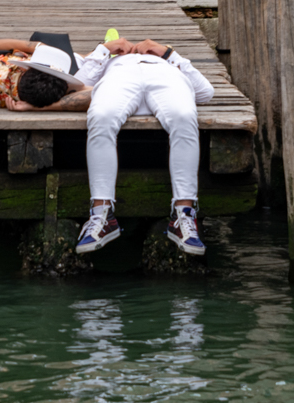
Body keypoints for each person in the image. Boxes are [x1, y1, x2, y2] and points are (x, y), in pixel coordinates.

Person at [74, 34, 214, 257]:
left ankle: (184, 214)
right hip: (119, 80)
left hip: (165, 79)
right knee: (101, 116)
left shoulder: (169, 63)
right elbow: (78, 83)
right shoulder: (109, 61)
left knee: (184, 116)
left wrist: (166, 53)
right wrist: (105, 49)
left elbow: (205, 92)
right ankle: (101, 215)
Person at [0, 38, 93, 113]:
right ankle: (95, 53)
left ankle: (93, 54)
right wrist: (37, 108)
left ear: (23, 68)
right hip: (69, 65)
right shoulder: (54, 87)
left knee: (77, 59)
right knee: (78, 61)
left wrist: (38, 47)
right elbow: (96, 93)